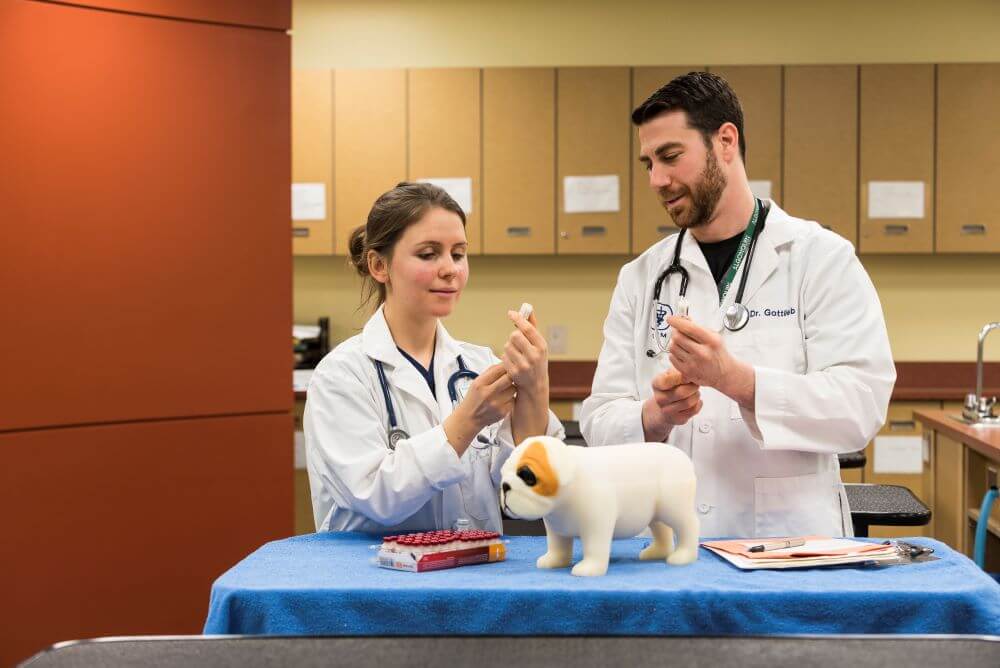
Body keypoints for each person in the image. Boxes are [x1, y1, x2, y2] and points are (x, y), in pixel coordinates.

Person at [579, 72, 895, 538]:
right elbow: (599, 420)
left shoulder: (820, 258)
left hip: (788, 551)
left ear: (726, 141)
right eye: (647, 162)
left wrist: (740, 383)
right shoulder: (642, 278)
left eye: (670, 157)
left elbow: (860, 406)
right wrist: (653, 416)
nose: (656, 180)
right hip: (666, 551)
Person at [305, 182, 564, 533]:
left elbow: (526, 493)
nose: (450, 269)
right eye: (429, 254)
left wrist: (535, 387)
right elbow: (376, 496)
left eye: (458, 254)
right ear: (379, 266)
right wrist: (466, 422)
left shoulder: (477, 366)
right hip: (378, 582)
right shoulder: (341, 376)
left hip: (473, 577)